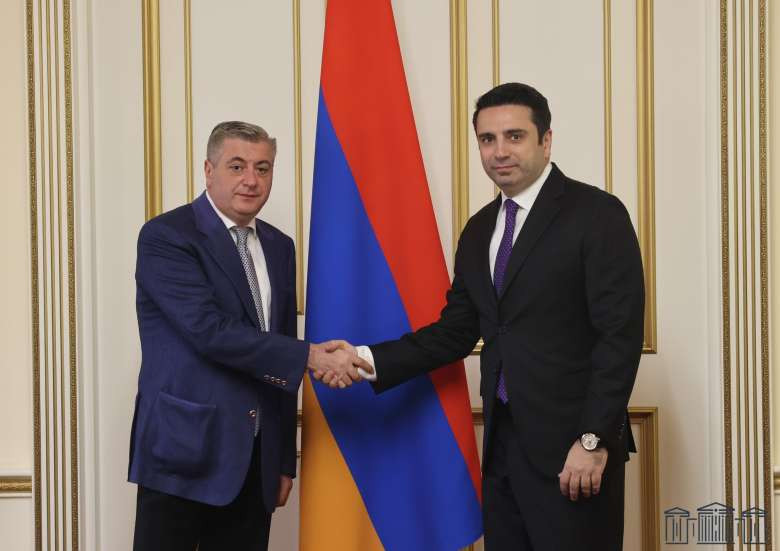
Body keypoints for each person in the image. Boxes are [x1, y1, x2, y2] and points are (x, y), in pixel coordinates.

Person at [342, 83, 645, 550]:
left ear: (546, 141)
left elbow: (618, 337)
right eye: (488, 139)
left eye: (514, 136)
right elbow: (456, 331)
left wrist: (593, 440)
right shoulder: (480, 228)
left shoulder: (597, 214)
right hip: (503, 451)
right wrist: (364, 359)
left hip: (574, 452)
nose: (499, 151)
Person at [128, 121, 364, 551]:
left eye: (263, 168)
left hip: (255, 461)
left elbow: (278, 353)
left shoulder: (279, 245)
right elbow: (209, 331)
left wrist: (282, 458)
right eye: (237, 166)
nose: (251, 180)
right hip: (182, 452)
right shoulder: (167, 237)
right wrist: (311, 356)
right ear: (209, 170)